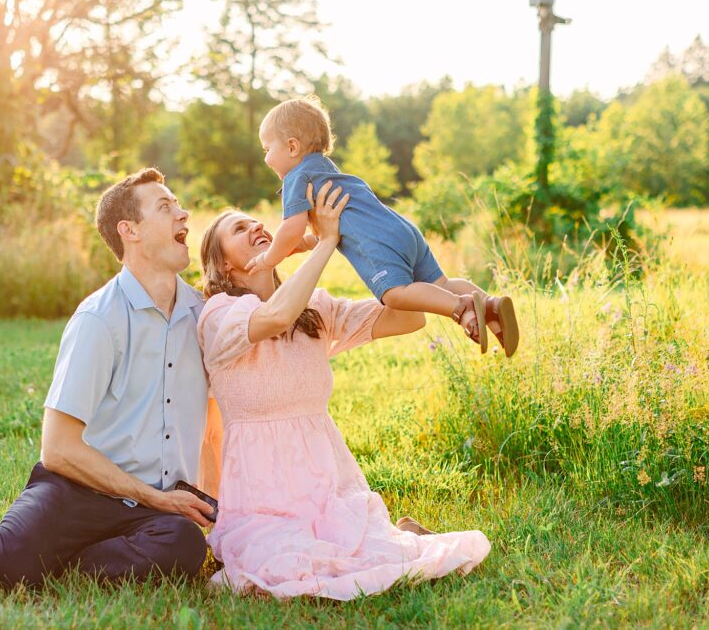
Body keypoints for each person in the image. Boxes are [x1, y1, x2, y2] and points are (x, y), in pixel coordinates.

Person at [0, 168, 220, 588]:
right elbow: (59, 449)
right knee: (11, 561)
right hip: (76, 490)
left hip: (151, 513)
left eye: (177, 204)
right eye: (166, 206)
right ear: (130, 231)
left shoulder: (203, 317)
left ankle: (51, 566)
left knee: (183, 548)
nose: (184, 213)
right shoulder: (99, 319)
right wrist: (156, 498)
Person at [197, 181, 491, 600]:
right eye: (239, 230)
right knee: (281, 566)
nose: (256, 228)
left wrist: (357, 241)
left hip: (324, 477)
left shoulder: (315, 308)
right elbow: (277, 315)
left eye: (258, 223)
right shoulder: (220, 315)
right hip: (261, 491)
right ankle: (393, 534)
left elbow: (408, 319)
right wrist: (325, 243)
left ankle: (396, 534)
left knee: (359, 550)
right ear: (224, 265)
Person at [246, 95, 519, 357]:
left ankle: (462, 307)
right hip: (402, 229)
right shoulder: (326, 170)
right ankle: (491, 309)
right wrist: (300, 247)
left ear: (292, 147)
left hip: (378, 242)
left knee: (395, 294)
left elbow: (291, 228)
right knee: (442, 282)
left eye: (267, 149)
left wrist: (269, 258)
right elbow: (336, 228)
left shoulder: (296, 178)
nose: (266, 158)